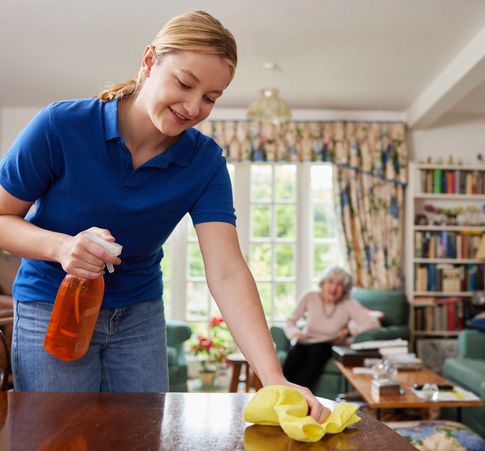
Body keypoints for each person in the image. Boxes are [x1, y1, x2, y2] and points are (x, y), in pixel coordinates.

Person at [0, 11, 330, 421]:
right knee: (59, 437)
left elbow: (227, 270)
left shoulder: (204, 162)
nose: (193, 107)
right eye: (185, 83)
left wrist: (274, 378)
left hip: (138, 315)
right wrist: (62, 246)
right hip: (52, 307)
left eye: (210, 97)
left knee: (140, 437)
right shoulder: (60, 126)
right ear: (150, 61)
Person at [282, 266, 380, 389]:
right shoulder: (310, 296)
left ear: (345, 290)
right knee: (296, 352)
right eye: (330, 282)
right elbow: (289, 321)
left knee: (317, 351)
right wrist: (294, 332)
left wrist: (349, 331)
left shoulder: (348, 303)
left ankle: (299, 397)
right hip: (305, 341)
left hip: (328, 344)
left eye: (339, 285)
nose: (334, 288)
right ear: (323, 283)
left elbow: (372, 323)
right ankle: (280, 392)